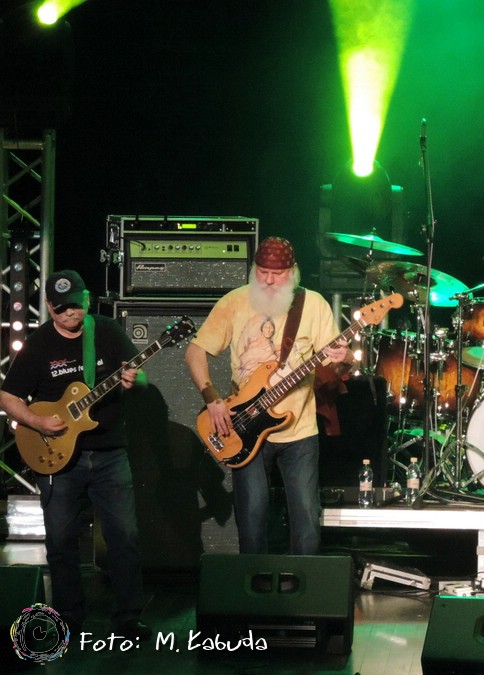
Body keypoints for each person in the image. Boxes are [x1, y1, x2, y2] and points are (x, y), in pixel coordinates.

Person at [0, 270, 149, 638]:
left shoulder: (106, 331)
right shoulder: (39, 343)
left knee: (125, 537)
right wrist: (36, 420)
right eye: (61, 307)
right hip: (57, 456)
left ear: (86, 299)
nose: (70, 313)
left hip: (110, 452)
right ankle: (68, 615)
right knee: (61, 541)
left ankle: (128, 617)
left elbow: (140, 377)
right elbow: (8, 396)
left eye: (75, 305)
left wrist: (134, 380)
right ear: (49, 306)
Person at [185, 236, 351, 555]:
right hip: (245, 427)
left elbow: (336, 366)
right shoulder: (234, 302)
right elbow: (195, 352)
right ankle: (254, 583)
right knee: (251, 517)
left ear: (293, 271)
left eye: (278, 274)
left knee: (306, 519)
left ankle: (304, 584)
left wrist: (343, 358)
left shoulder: (313, 304)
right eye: (263, 272)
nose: (270, 280)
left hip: (299, 430)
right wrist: (212, 398)